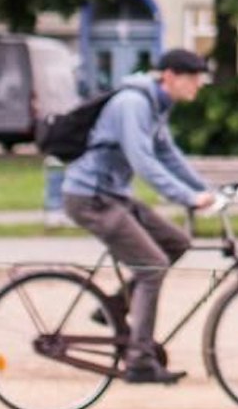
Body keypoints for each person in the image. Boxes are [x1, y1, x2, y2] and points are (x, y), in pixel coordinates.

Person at [60, 48, 217, 385]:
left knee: (177, 242)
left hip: (113, 195)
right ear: (170, 76)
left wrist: (207, 190)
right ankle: (140, 361)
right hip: (91, 197)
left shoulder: (157, 105)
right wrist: (188, 198)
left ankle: (115, 306)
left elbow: (168, 155)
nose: (198, 86)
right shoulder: (133, 104)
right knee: (152, 267)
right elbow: (143, 161)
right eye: (193, 79)